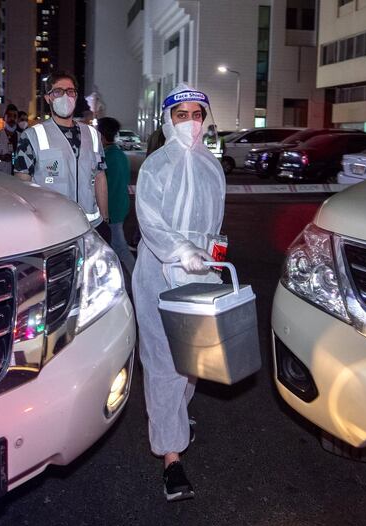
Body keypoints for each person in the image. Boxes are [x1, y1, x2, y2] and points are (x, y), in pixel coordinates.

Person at [132, 84, 225, 502]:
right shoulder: (155, 165)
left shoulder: (212, 166)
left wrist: (214, 256)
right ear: (168, 120)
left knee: (191, 361)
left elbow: (215, 224)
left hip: (199, 276)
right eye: (181, 115)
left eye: (197, 114)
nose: (191, 122)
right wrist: (180, 249)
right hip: (158, 275)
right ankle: (171, 458)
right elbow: (149, 223)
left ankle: (176, 417)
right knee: (164, 362)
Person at [14, 71, 109, 233]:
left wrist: (105, 218)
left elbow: (100, 177)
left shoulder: (92, 135)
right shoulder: (31, 136)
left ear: (76, 96)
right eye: (58, 92)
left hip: (91, 227)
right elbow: (22, 185)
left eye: (70, 91)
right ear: (48, 98)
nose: (65, 97)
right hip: (53, 228)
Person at [96, 116, 136, 275]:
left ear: (102, 135)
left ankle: (135, 280)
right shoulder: (120, 155)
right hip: (121, 206)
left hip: (110, 209)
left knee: (119, 247)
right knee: (115, 247)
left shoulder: (105, 157)